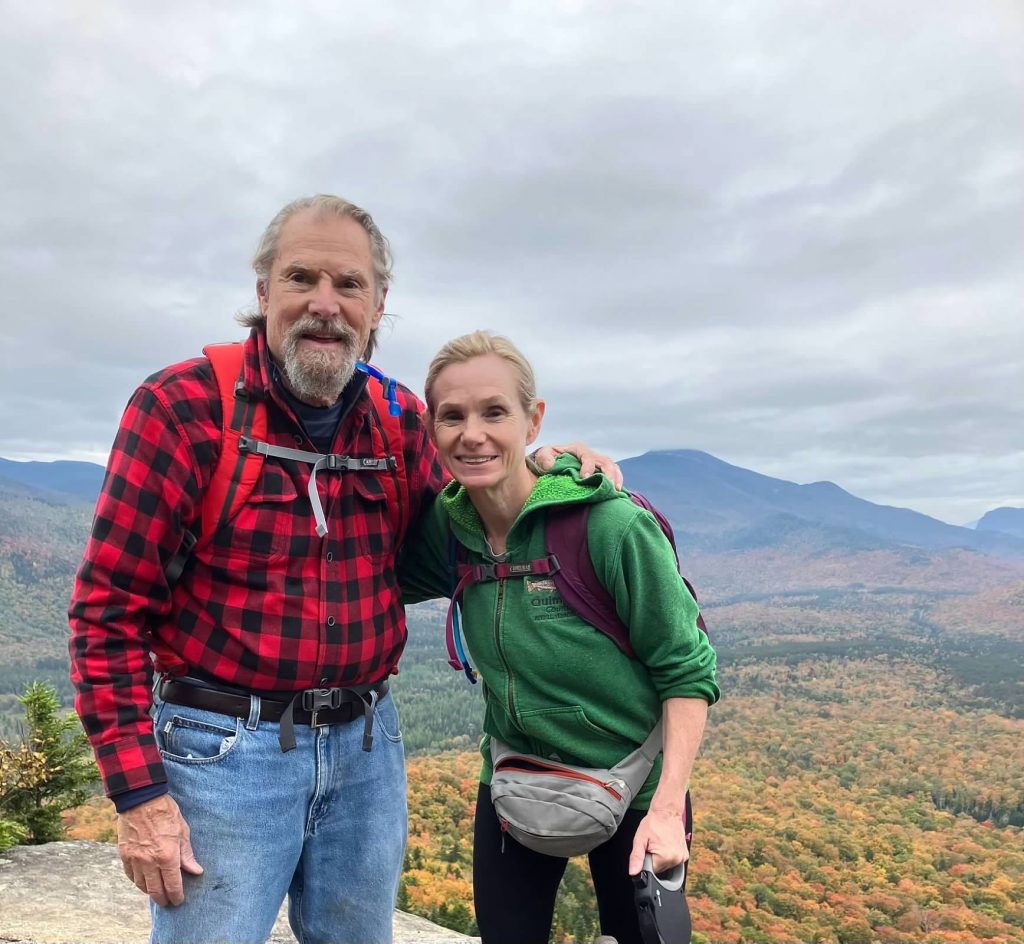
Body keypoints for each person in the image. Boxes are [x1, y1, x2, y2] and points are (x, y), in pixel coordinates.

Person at [67, 195, 619, 944]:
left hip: (366, 748)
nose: (325, 305)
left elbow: (470, 515)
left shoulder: (398, 419)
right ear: (263, 293)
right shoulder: (184, 407)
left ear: (378, 306)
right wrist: (140, 800)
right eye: (302, 278)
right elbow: (107, 612)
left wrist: (548, 470)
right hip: (222, 752)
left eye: (349, 285)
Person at [398, 331, 720, 944]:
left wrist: (668, 810)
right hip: (517, 773)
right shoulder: (449, 526)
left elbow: (687, 672)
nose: (473, 433)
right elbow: (361, 576)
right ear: (433, 430)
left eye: (495, 412)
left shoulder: (610, 525)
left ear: (533, 418)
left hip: (636, 786)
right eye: (452, 416)